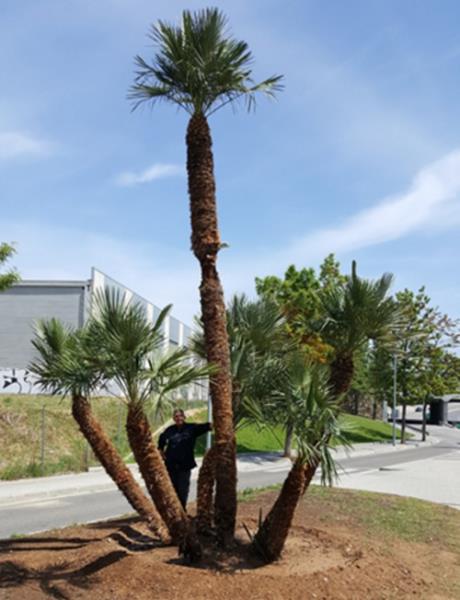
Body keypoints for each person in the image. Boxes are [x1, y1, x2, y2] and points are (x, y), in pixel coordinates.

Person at [158, 408, 211, 510]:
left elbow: (206, 426)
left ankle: (182, 510)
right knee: (172, 489)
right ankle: (174, 510)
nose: (178, 418)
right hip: (171, 465)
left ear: (184, 417)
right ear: (174, 418)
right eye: (176, 417)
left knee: (183, 489)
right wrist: (161, 451)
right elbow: (162, 439)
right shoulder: (169, 430)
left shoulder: (191, 428)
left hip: (185, 465)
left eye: (180, 416)